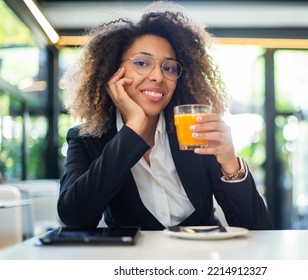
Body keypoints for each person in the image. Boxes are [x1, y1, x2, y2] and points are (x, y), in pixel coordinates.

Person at [58, 1, 271, 230]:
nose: (158, 76)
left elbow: (258, 228)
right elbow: (75, 217)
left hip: (202, 258)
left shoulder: (196, 133)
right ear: (113, 71)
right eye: (142, 63)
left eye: (169, 68)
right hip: (134, 263)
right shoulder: (87, 139)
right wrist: (133, 130)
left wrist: (230, 162)